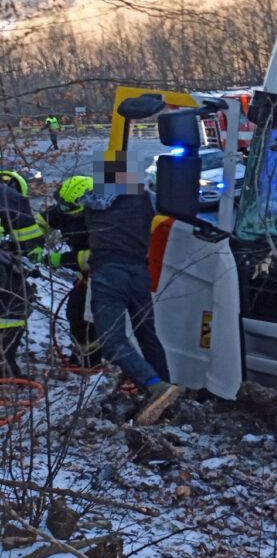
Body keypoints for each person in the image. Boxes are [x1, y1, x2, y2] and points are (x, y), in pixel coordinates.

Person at [79, 160, 179, 425]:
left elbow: (70, 210)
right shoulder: (146, 200)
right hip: (138, 274)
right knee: (148, 334)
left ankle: (154, 386)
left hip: (108, 274)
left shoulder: (92, 203)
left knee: (111, 340)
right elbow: (172, 208)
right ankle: (165, 390)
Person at [43, 176, 98, 369]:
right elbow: (44, 220)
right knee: (77, 312)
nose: (66, 212)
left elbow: (94, 258)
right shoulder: (67, 208)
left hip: (98, 277)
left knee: (82, 314)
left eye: (70, 209)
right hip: (83, 278)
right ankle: (85, 356)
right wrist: (30, 242)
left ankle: (91, 360)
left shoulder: (100, 221)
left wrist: (60, 260)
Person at [0, 171, 44, 378]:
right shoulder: (9, 196)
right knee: (13, 306)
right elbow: (28, 240)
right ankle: (5, 366)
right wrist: (28, 261)